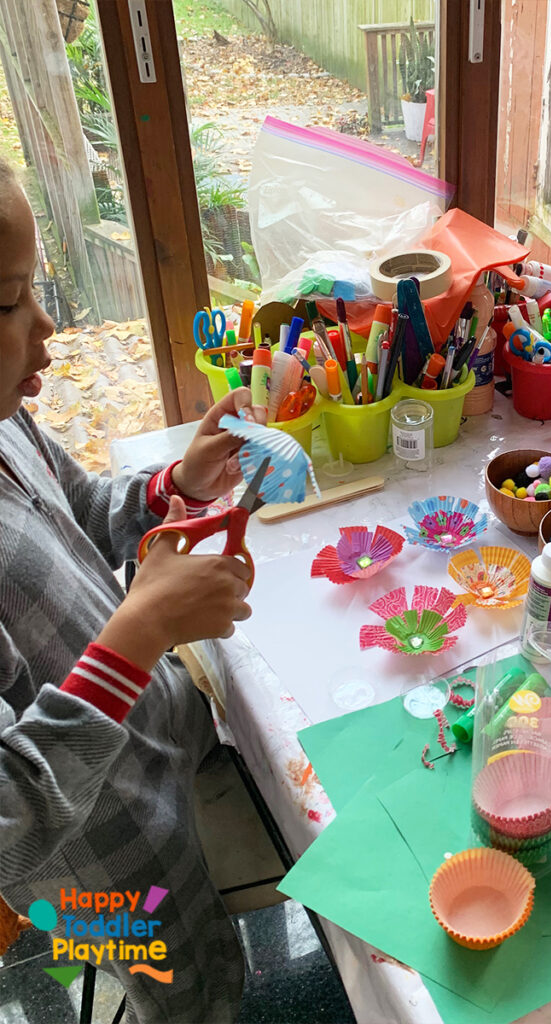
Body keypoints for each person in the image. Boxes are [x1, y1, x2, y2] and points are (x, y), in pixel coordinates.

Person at [1, 158, 259, 1021]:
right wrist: (140, 632)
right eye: (8, 302)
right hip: (102, 852)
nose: (45, 327)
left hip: (160, 728)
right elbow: (8, 819)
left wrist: (173, 487)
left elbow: (77, 507)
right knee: (192, 989)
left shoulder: (4, 416)